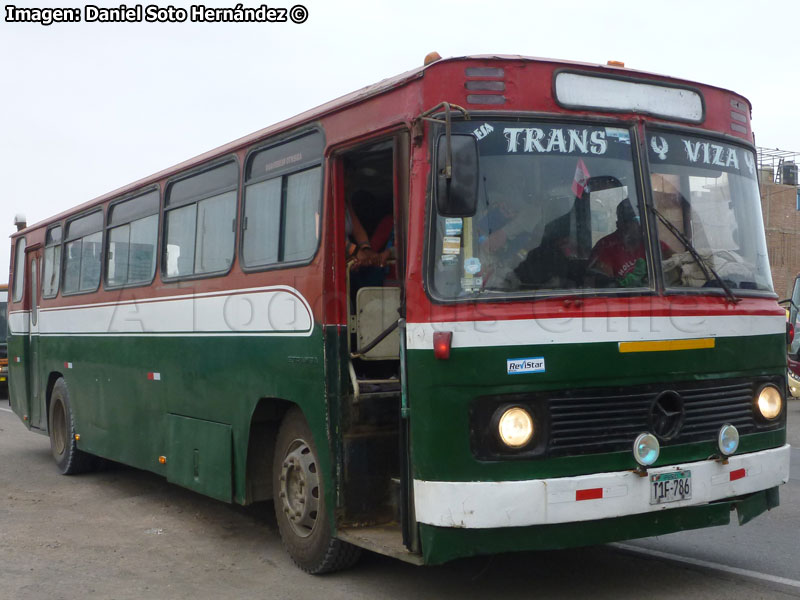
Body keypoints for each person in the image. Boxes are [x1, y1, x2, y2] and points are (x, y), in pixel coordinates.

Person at [588, 197, 672, 287]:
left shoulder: (654, 245)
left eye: (642, 220)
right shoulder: (605, 246)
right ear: (619, 224)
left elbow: (677, 262)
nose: (640, 225)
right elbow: (605, 285)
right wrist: (622, 284)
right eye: (634, 221)